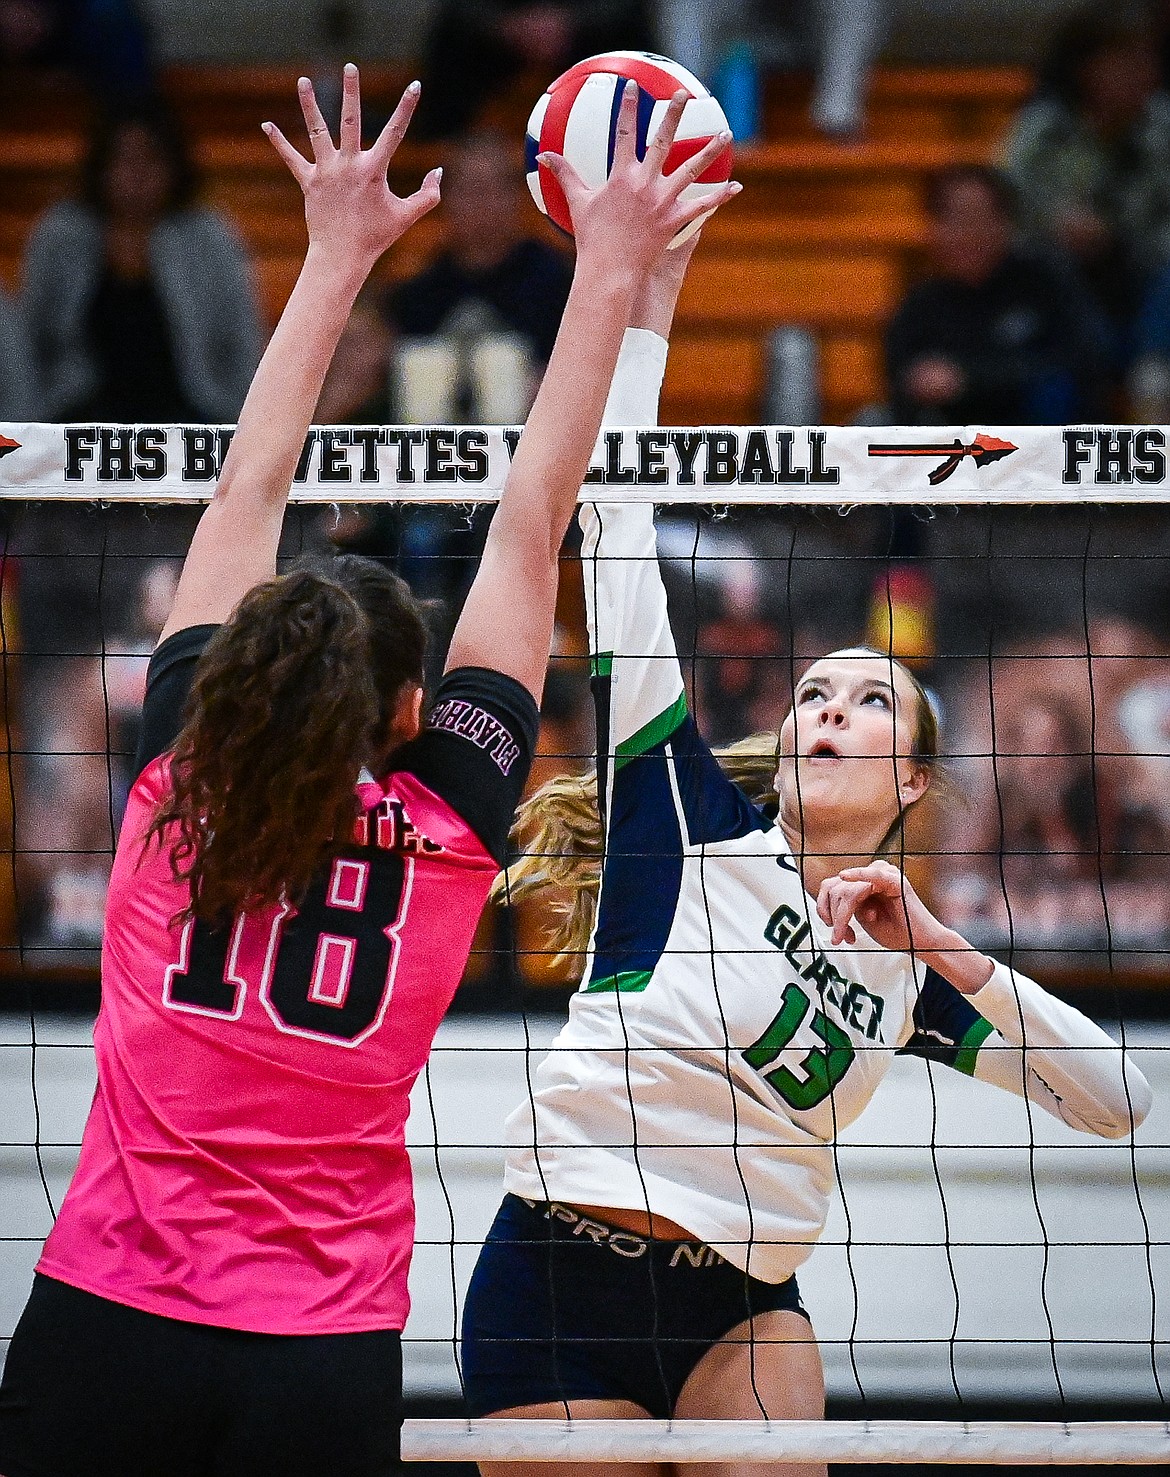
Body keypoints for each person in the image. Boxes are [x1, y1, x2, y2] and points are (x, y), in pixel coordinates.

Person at [0, 67, 739, 1477]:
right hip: (319, 1350)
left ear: (237, 681)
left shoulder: (175, 790)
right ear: (411, 709)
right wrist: (608, 271)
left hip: (108, 1321)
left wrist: (335, 249)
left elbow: (246, 491)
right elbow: (531, 528)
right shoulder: (448, 826)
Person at [460, 245, 1154, 1477]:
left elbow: (1117, 1101)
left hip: (739, 1309)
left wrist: (933, 943)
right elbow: (614, 519)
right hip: (559, 1285)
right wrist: (646, 289)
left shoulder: (907, 965)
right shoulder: (680, 821)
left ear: (912, 781)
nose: (828, 707)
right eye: (815, 692)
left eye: (869, 700)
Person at [22, 103, 262, 422]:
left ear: (174, 166)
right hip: (77, 416)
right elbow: (29, 340)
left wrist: (240, 420)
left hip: (192, 412)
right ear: (101, 166)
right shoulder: (61, 233)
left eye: (150, 159)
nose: (136, 174)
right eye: (123, 159)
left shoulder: (209, 235)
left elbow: (240, 338)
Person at [885, 164, 1112, 426]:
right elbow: (901, 381)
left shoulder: (1045, 281)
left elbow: (1085, 356)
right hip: (955, 448)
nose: (969, 233)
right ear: (936, 229)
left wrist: (969, 379)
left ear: (1005, 223)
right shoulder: (920, 305)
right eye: (956, 219)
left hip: (1042, 441)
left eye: (979, 218)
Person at [1002, 6, 1170, 335]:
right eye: (1128, 62)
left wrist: (1123, 239)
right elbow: (1003, 211)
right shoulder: (1042, 132)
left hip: (1146, 278)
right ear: (1089, 70)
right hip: (1062, 278)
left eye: (1148, 60)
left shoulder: (1163, 128)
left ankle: (1152, 373)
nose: (1146, 73)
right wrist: (1054, 227)